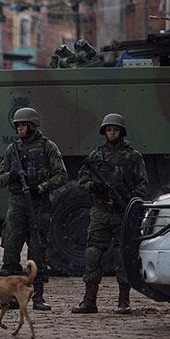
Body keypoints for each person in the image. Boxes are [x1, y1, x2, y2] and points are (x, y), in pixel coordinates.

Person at [72, 113, 148, 314]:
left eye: (114, 129)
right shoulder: (96, 157)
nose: (111, 133)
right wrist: (94, 187)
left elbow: (143, 184)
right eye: (108, 129)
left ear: (121, 131)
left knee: (122, 254)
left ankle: (124, 300)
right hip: (100, 211)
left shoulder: (133, 156)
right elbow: (82, 179)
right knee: (93, 253)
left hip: (122, 212)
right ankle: (89, 301)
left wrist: (128, 198)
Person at [0, 107, 67, 311]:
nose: (19, 128)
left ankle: (38, 297)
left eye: (23, 125)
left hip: (39, 204)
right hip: (17, 205)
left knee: (37, 253)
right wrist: (13, 176)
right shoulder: (13, 150)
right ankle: (11, 296)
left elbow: (61, 175)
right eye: (17, 125)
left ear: (33, 126)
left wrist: (41, 187)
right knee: (10, 251)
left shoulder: (47, 147)